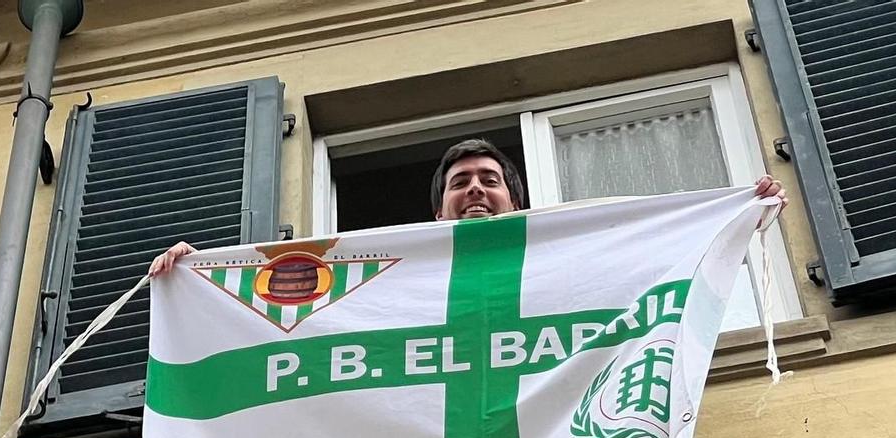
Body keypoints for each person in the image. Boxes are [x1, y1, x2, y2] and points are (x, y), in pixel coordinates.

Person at [149, 138, 785, 277]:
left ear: (514, 199)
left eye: (489, 180)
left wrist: (734, 215)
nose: (476, 189)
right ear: (439, 215)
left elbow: (651, 259)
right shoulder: (393, 269)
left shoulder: (564, 253)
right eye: (461, 183)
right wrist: (199, 272)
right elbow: (298, 302)